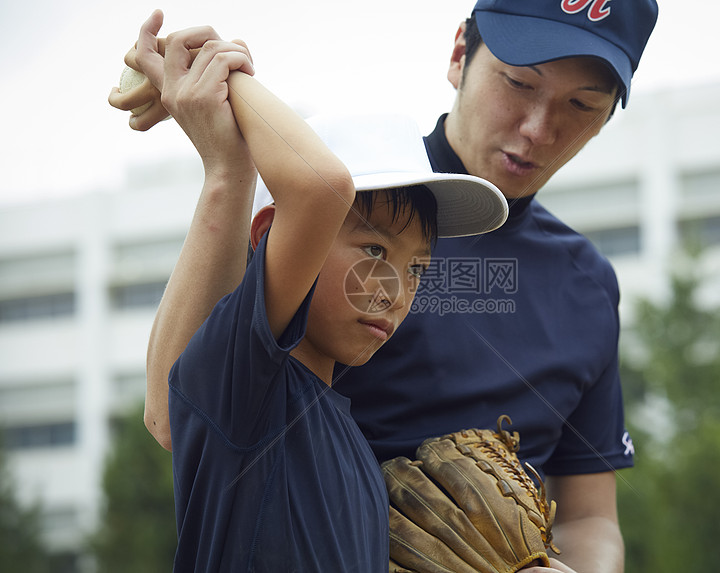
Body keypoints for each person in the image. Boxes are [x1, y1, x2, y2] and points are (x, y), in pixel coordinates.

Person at [111, 2, 658, 571]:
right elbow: (181, 411)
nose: (538, 128)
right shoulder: (329, 210)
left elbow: (590, 517)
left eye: (582, 104)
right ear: (459, 55)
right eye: (519, 83)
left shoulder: (590, 283)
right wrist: (222, 92)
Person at [120, 11, 509, 571]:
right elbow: (323, 187)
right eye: (374, 251)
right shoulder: (252, 385)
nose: (394, 291)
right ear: (268, 236)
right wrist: (226, 80)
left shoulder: (350, 442)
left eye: (418, 269)